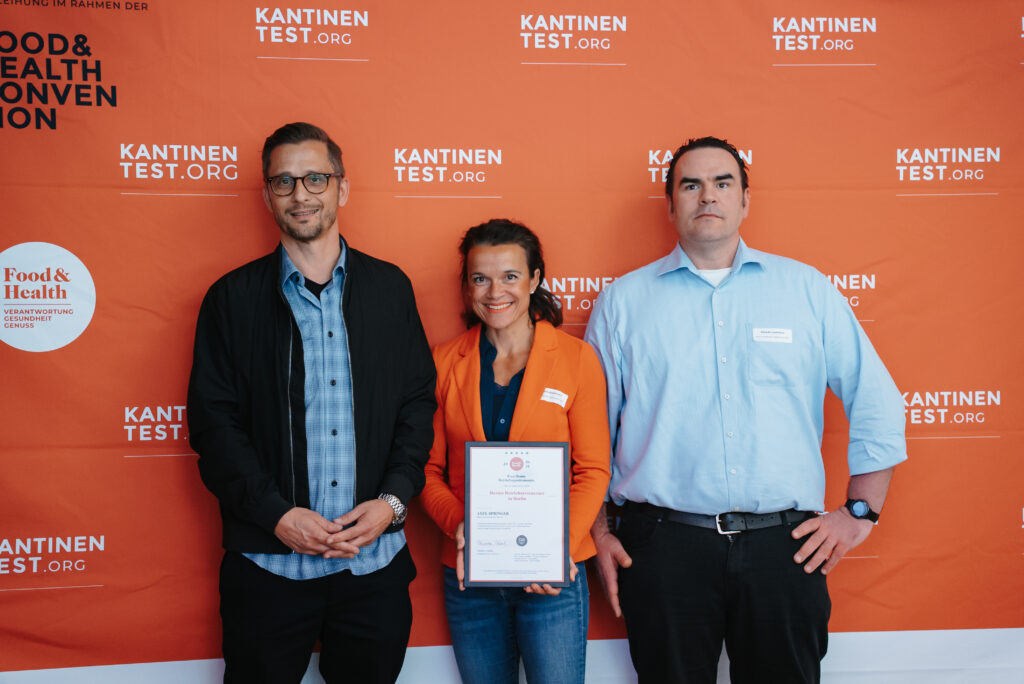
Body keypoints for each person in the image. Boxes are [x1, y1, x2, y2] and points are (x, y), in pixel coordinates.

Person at [584, 137, 907, 683]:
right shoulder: (624, 302)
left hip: (786, 549)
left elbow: (877, 401)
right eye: (691, 185)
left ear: (745, 200)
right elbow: (588, 429)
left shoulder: (806, 289)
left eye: (722, 182)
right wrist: (596, 533)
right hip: (662, 550)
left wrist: (858, 514)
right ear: (671, 205)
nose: (706, 196)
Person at [186, 122, 436, 683]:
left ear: (342, 188)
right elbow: (213, 426)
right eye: (284, 182)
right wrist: (275, 516)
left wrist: (393, 504)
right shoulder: (231, 299)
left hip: (373, 567)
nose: (301, 194)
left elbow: (418, 406)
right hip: (267, 568)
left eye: (316, 178)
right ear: (268, 194)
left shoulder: (389, 288)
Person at [420, 219, 611, 684]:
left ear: (535, 279)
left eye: (509, 276)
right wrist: (460, 526)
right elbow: (426, 470)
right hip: (470, 576)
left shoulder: (576, 359)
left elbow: (593, 469)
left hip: (554, 576)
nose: (494, 291)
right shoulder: (444, 362)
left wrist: (555, 546)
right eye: (480, 278)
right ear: (466, 287)